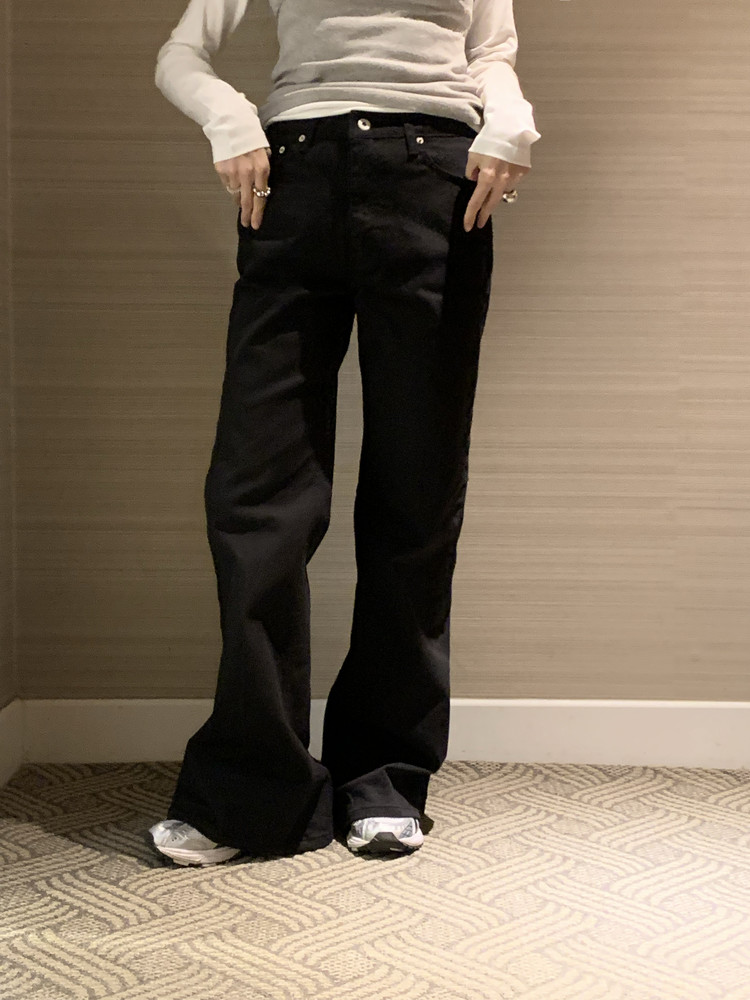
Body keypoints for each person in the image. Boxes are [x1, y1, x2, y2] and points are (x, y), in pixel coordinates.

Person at [149, 0, 541, 867]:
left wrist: (511, 119)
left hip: (436, 184)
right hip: (293, 178)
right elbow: (181, 54)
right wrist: (229, 118)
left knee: (416, 487)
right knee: (257, 491)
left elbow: (491, 54)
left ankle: (385, 775)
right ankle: (253, 788)